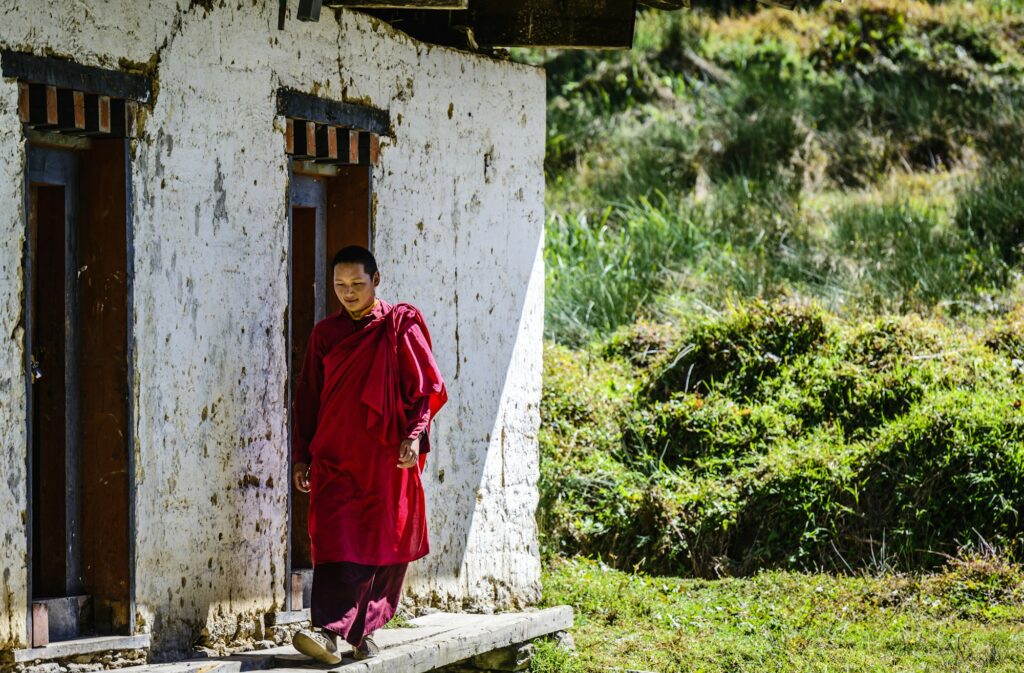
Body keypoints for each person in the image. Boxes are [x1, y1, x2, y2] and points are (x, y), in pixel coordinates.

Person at [290, 245, 447, 664]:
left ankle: (362, 630)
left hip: (385, 459)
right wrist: (301, 456)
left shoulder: (399, 325)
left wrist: (415, 436)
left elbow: (425, 388)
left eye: (357, 284)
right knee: (335, 539)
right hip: (335, 457)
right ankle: (327, 630)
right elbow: (307, 400)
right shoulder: (325, 334)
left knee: (382, 544)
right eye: (340, 285)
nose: (349, 293)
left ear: (376, 281)